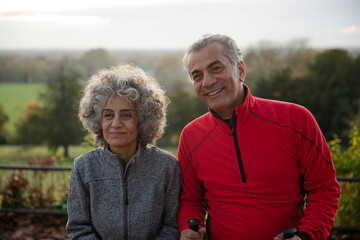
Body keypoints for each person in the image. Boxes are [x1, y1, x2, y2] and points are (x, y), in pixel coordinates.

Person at [177, 34, 341, 240]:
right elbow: (191, 199)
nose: (207, 82)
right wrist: (189, 225)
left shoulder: (295, 120)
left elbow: (324, 188)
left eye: (216, 68)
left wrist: (306, 236)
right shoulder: (191, 136)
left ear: (240, 70)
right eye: (197, 76)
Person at [66, 64, 180, 239]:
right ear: (98, 120)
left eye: (126, 115)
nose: (116, 124)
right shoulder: (84, 167)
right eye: (108, 115)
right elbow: (78, 228)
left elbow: (172, 226)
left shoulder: (166, 166)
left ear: (143, 121)